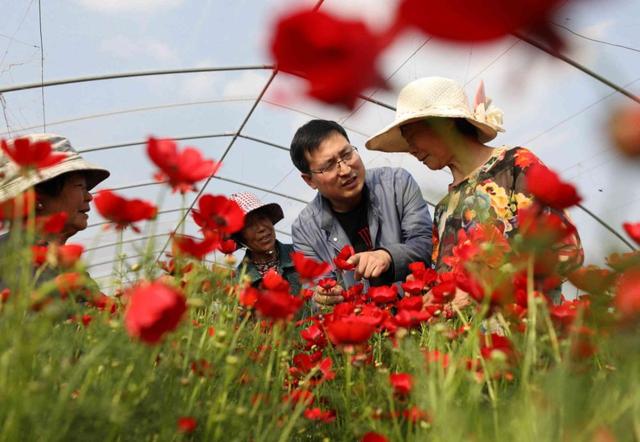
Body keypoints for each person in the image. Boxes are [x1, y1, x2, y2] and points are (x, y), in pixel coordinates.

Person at [365, 77, 583, 302]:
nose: (411, 150)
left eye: (412, 137)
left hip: (524, 330)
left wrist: (482, 289)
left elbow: (565, 251)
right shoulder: (444, 209)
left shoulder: (514, 166)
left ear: (445, 123)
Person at [290, 119, 433, 306]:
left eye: (347, 154)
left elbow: (423, 244)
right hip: (362, 328)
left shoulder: (396, 184)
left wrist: (387, 256)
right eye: (329, 165)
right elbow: (316, 287)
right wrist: (323, 297)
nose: (346, 170)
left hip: (420, 311)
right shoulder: (305, 229)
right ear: (309, 180)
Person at [0, 133, 110, 293]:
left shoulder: (64, 266)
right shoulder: (13, 261)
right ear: (36, 195)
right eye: (80, 186)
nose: (89, 197)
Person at [229, 192, 301, 295]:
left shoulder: (301, 253)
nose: (261, 228)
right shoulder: (239, 282)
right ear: (240, 237)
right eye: (249, 224)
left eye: (262, 218)